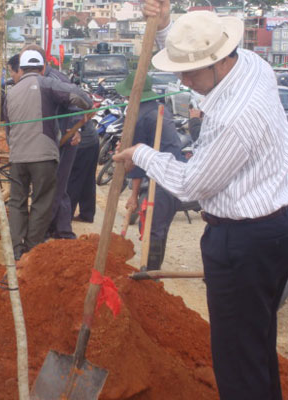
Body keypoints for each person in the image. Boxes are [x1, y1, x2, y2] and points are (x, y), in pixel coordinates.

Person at [114, 7, 288, 400]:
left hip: (243, 243)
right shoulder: (251, 65)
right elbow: (197, 68)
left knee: (238, 361)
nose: (181, 80)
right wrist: (165, 30)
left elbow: (192, 185)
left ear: (218, 63)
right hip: (272, 230)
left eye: (189, 72)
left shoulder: (235, 117)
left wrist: (143, 154)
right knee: (254, 346)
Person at [3, 49, 92, 260]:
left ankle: (16, 251)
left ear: (21, 69)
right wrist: (84, 107)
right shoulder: (47, 83)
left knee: (16, 202)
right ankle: (32, 249)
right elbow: (81, 97)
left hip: (17, 157)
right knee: (42, 202)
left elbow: (8, 128)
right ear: (42, 68)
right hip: (44, 156)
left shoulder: (11, 93)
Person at [116, 71, 184, 270]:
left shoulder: (140, 116)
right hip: (173, 173)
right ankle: (151, 270)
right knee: (157, 228)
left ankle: (150, 272)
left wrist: (134, 195)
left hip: (164, 177)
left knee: (153, 228)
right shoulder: (156, 108)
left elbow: (136, 162)